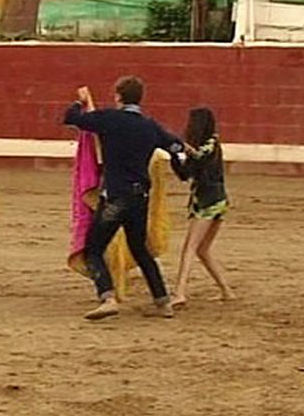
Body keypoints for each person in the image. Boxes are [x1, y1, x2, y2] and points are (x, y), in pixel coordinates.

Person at [63, 76, 187, 321]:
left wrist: (81, 102)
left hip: (116, 198)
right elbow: (176, 147)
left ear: (118, 96)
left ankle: (107, 297)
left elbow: (71, 118)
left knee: (94, 250)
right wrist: (185, 149)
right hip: (140, 198)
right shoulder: (149, 126)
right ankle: (163, 302)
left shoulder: (110, 119)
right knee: (140, 249)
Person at [168, 107, 236, 308]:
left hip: (208, 202)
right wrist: (174, 155)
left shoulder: (209, 145)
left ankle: (180, 292)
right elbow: (184, 174)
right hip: (214, 199)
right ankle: (226, 290)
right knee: (202, 250)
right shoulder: (207, 145)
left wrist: (183, 150)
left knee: (190, 248)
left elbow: (197, 159)